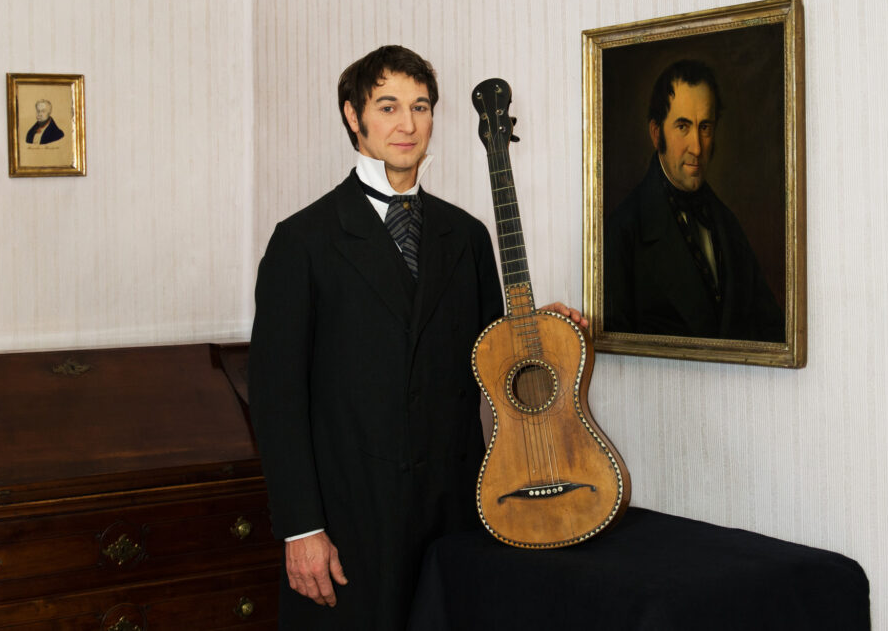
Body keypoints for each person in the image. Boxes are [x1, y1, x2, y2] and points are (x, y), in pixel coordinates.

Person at [249, 45, 586, 630]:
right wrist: (301, 529)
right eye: (388, 107)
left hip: (455, 514)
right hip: (351, 520)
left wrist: (540, 330)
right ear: (353, 116)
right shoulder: (302, 241)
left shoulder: (468, 236)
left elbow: (492, 363)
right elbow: (277, 401)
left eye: (421, 106)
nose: (407, 124)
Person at [604, 59, 784, 342]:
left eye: (705, 127)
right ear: (656, 134)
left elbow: (771, 330)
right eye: (683, 127)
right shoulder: (622, 231)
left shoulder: (727, 224)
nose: (697, 148)